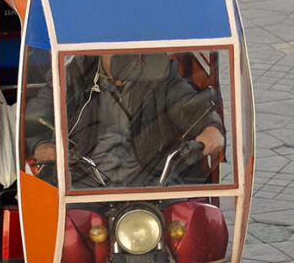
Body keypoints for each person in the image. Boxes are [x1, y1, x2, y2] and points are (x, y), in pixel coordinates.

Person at [25, 53, 224, 188]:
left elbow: (189, 104)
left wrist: (211, 127)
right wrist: (43, 145)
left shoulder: (158, 73)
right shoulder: (75, 72)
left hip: (153, 182)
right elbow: (37, 114)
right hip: (82, 181)